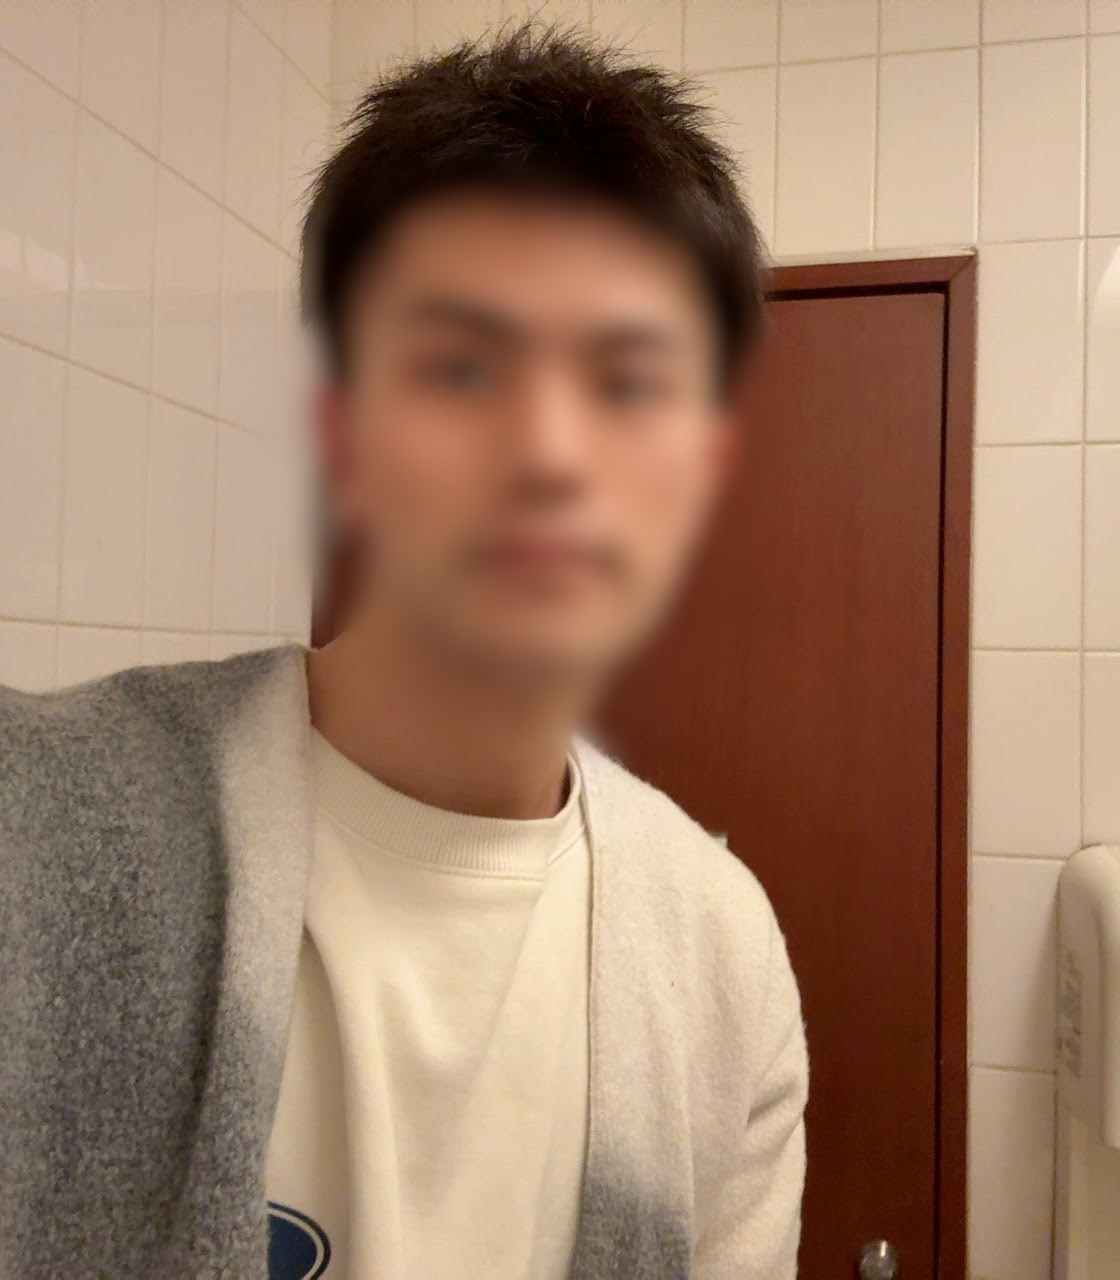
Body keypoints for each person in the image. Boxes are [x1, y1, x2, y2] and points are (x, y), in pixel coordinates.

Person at [0, 24, 806, 1280]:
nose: (548, 452)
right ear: (340, 433)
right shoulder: (41, 822)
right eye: (461, 366)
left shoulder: (721, 954)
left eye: (627, 380)